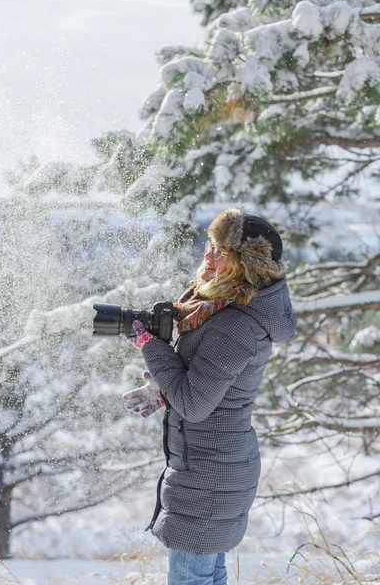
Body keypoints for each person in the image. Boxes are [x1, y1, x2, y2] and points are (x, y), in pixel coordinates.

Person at [123, 208, 296, 585]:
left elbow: (195, 404)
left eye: (220, 251)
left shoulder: (235, 324)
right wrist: (163, 391)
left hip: (209, 476)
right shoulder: (225, 311)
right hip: (211, 466)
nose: (208, 255)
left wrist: (148, 345)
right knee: (208, 576)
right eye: (210, 245)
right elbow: (211, 388)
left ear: (243, 266)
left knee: (191, 578)